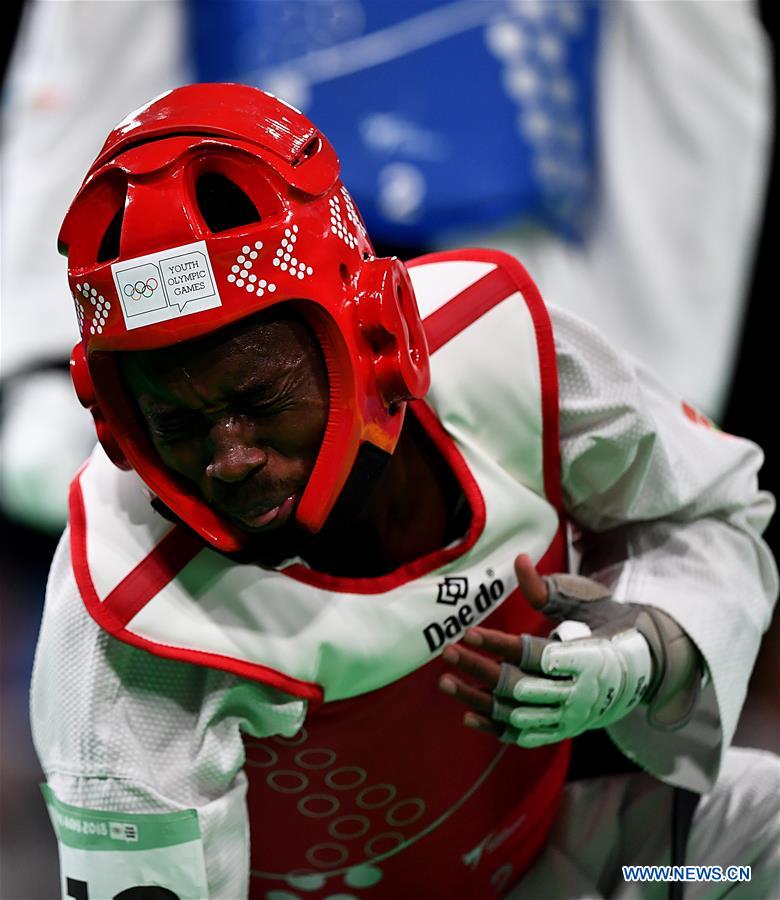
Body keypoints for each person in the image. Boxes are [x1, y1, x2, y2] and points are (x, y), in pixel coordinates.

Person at [31, 84, 778, 899]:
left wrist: (643, 655)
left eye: (259, 400)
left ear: (377, 337)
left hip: (581, 864)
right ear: (116, 424)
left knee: (758, 842)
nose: (230, 460)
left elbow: (709, 507)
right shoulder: (127, 614)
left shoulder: (508, 352)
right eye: (175, 423)